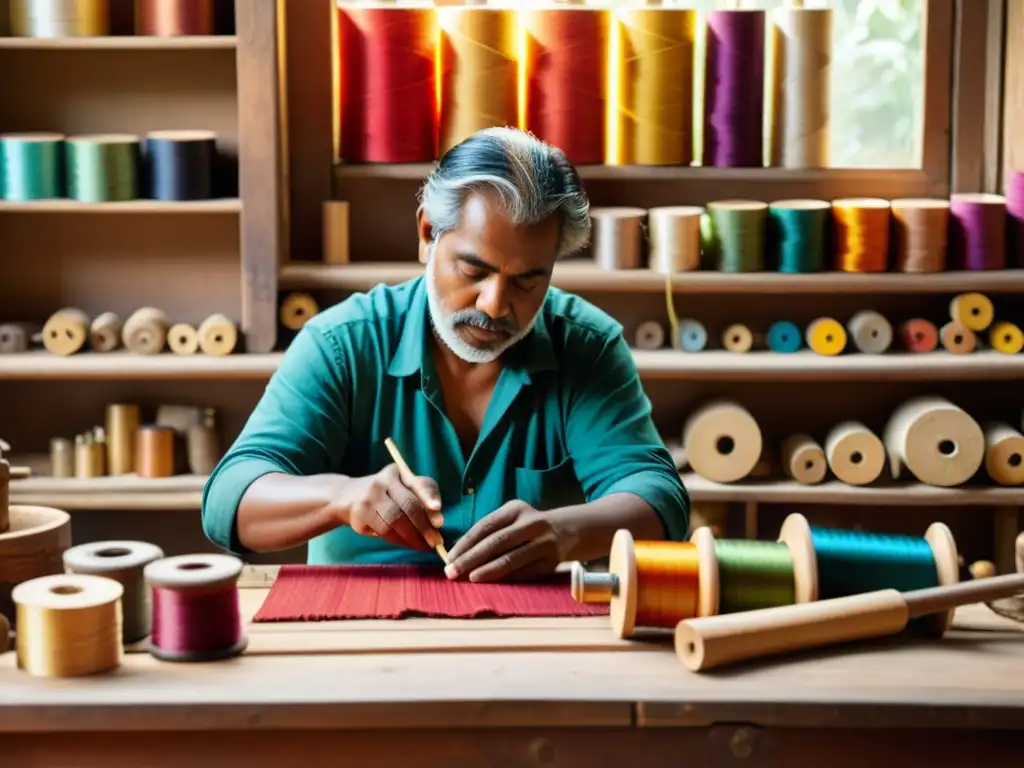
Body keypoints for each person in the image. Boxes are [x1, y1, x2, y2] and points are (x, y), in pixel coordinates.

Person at [201, 127, 689, 582]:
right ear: (427, 233)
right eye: (473, 270)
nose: (495, 305)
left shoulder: (586, 346)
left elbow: (661, 500)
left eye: (527, 280)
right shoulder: (342, 344)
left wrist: (567, 532)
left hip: (525, 634)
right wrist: (342, 497)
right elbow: (229, 501)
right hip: (363, 631)